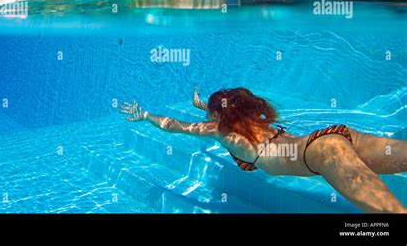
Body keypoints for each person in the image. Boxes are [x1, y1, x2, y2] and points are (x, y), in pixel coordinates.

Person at [120, 87, 407, 213]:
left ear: (217, 116)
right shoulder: (252, 119)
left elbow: (175, 126)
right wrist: (200, 103)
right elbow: (221, 110)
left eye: (209, 113)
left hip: (324, 151)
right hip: (337, 136)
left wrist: (145, 115)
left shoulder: (221, 131)